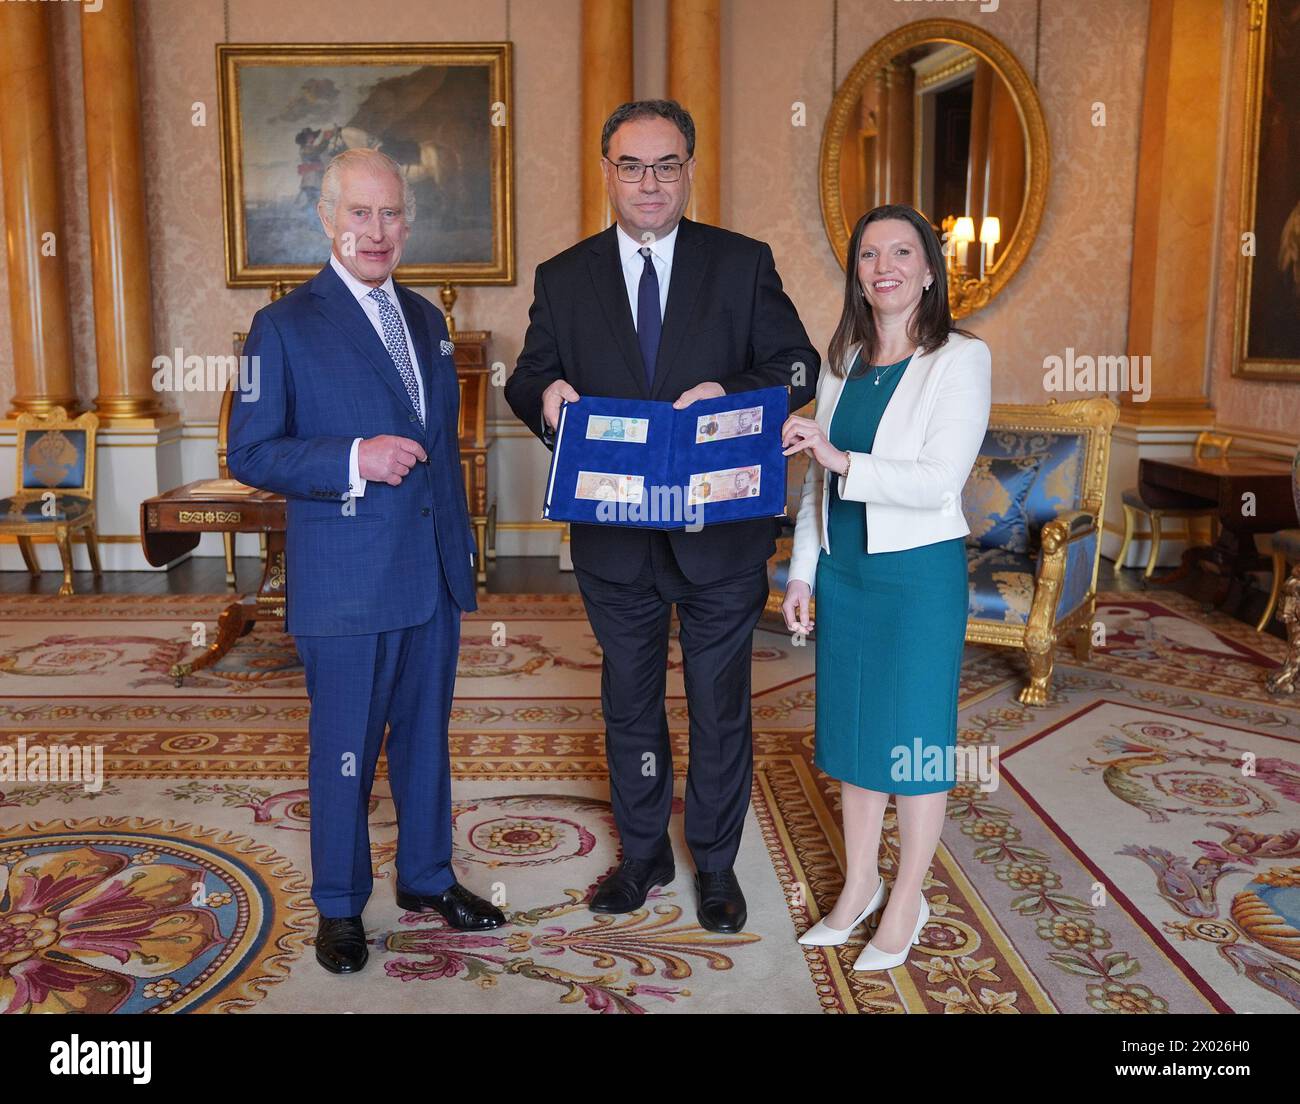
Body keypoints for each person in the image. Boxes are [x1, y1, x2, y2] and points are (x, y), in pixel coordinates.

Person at [505, 99, 818, 933]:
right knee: (629, 701)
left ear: (689, 170)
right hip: (615, 537)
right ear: (606, 171)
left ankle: (715, 864)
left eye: (666, 165)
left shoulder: (742, 262)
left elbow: (797, 362)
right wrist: (548, 397)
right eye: (632, 165)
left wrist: (735, 393)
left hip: (719, 532)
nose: (649, 182)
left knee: (721, 704)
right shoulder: (564, 276)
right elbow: (526, 376)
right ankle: (644, 854)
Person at [228, 147, 505, 976]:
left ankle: (426, 877)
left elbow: (446, 453)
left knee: (426, 739)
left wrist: (463, 559)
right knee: (344, 748)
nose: (377, 231)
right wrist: (353, 457)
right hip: (347, 585)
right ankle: (341, 906)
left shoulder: (425, 318)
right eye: (360, 213)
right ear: (325, 217)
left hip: (430, 577)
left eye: (391, 215)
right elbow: (250, 450)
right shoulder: (277, 327)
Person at [780, 203, 990, 971]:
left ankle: (908, 897)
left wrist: (837, 459)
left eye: (902, 252)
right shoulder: (843, 361)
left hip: (916, 577)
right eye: (870, 255)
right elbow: (815, 488)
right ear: (857, 275)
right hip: (847, 573)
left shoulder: (961, 359)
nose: (885, 267)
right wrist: (803, 572)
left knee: (914, 745)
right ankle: (860, 884)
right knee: (855, 736)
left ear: (930, 270)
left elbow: (940, 480)